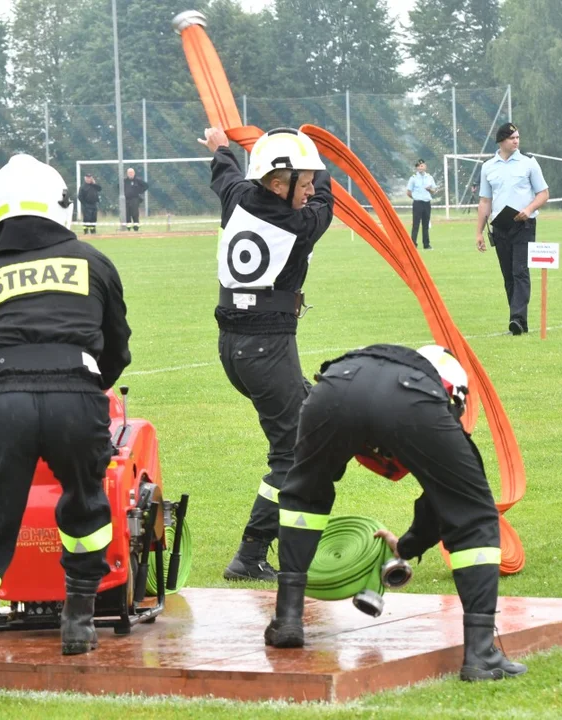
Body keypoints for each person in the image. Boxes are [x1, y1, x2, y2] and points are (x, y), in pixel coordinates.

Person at [0, 153, 132, 703]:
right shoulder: (93, 261)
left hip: (0, 401)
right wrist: (85, 389)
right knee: (86, 502)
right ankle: (79, 617)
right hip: (77, 396)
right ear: (59, 206)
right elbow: (117, 349)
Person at [265, 343, 526, 682]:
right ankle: (481, 652)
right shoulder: (431, 391)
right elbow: (444, 501)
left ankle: (287, 619)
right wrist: (410, 545)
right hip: (406, 399)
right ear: (452, 394)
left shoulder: (375, 364)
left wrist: (406, 547)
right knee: (475, 515)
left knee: (303, 493)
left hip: (332, 387)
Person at [198, 125, 335, 581]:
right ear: (278, 185)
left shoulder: (237, 196)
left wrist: (221, 146)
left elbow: (225, 172)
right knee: (294, 452)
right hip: (266, 348)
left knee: (308, 429)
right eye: (304, 180)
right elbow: (325, 206)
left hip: (235, 346)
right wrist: (322, 150)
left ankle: (280, 542)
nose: (312, 187)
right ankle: (250, 552)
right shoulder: (296, 223)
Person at [475, 123, 549, 335]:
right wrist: (479, 231)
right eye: (512, 138)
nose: (516, 141)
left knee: (520, 271)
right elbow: (485, 201)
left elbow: (543, 193)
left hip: (523, 224)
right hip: (501, 226)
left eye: (517, 137)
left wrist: (529, 209)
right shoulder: (488, 167)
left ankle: (517, 318)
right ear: (501, 141)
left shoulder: (529, 164)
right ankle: (517, 320)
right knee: (508, 275)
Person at [406, 159, 437, 249]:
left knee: (426, 224)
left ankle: (426, 244)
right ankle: (413, 244)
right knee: (416, 224)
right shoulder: (413, 178)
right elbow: (408, 192)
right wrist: (416, 197)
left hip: (427, 203)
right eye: (418, 166)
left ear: (425, 166)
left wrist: (429, 190)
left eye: (422, 166)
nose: (420, 168)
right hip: (417, 203)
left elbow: (434, 190)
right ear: (416, 168)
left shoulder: (429, 178)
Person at [123, 167, 150, 231]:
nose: (130, 174)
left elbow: (146, 186)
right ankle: (128, 228)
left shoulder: (138, 180)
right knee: (127, 213)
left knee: (134, 213)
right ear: (127, 173)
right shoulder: (124, 181)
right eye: (129, 173)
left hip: (135, 199)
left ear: (134, 173)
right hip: (126, 200)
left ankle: (136, 228)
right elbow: (118, 187)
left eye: (131, 172)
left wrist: (140, 191)